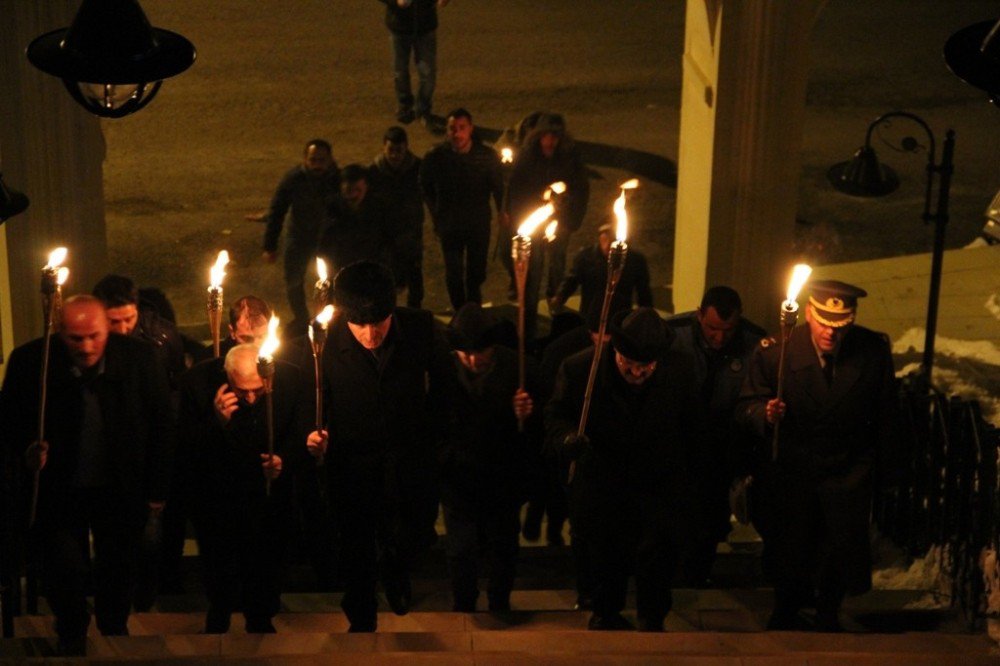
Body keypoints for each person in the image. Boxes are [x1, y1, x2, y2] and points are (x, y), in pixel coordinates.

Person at [0, 295, 172, 655]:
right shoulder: (33, 361)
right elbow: (9, 424)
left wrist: (156, 489)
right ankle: (72, 633)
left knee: (118, 566)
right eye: (75, 339)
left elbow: (160, 425)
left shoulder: (139, 359)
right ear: (60, 333)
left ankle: (113, 629)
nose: (87, 346)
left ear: (107, 328)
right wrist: (28, 450)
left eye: (94, 335)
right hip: (60, 487)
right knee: (65, 570)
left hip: (120, 485)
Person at [735, 279, 900, 631]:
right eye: (824, 323)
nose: (831, 333)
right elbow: (746, 403)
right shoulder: (775, 353)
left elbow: (886, 414)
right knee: (790, 546)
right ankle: (786, 607)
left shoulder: (871, 352)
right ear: (809, 313)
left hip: (846, 471)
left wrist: (884, 471)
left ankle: (828, 610)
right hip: (794, 470)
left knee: (837, 548)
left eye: (840, 326)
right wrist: (764, 413)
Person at [305, 260, 454, 632]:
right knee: (355, 539)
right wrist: (314, 433)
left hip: (409, 457)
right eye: (361, 326)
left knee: (408, 531)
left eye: (379, 324)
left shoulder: (421, 328)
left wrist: (432, 439)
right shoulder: (319, 338)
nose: (371, 335)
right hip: (351, 461)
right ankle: (360, 610)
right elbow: (311, 397)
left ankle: (397, 574)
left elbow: (445, 387)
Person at [545, 308, 700, 632]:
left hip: (659, 479)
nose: (637, 373)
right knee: (605, 553)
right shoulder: (580, 370)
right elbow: (557, 415)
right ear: (615, 350)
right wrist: (569, 439)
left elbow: (693, 427)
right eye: (629, 365)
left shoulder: (681, 370)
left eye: (646, 367)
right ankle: (605, 612)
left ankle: (653, 615)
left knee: (658, 553)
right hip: (603, 479)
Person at [178, 344, 308, 633]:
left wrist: (282, 459)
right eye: (242, 391)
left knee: (267, 557)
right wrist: (217, 421)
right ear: (227, 375)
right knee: (219, 558)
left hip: (269, 491)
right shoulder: (197, 382)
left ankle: (261, 616)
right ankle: (220, 611)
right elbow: (185, 444)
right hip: (218, 490)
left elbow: (302, 432)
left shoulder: (290, 378)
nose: (250, 398)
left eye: (257, 391)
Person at [441, 303, 538, 612]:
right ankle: (464, 603)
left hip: (501, 476)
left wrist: (524, 415)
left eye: (479, 352)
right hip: (458, 477)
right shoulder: (441, 370)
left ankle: (499, 600)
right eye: (464, 353)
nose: (472, 360)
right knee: (461, 550)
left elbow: (539, 428)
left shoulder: (519, 368)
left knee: (503, 546)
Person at [666, 286, 765, 588]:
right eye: (712, 328)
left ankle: (695, 576)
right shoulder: (673, 334)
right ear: (699, 315)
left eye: (728, 329)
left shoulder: (755, 344)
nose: (719, 338)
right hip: (679, 440)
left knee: (710, 517)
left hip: (724, 443)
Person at [506, 113, 590, 339]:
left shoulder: (570, 157)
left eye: (554, 136)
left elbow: (581, 187)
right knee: (533, 270)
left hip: (559, 223)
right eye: (546, 136)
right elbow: (516, 188)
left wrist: (570, 215)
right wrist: (519, 219)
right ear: (538, 136)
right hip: (535, 223)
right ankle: (528, 323)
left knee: (557, 267)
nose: (550, 141)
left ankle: (556, 312)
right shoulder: (528, 157)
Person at [420, 108, 505, 311]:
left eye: (461, 128)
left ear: (470, 129)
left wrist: (503, 210)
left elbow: (498, 187)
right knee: (454, 273)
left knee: (476, 272)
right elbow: (425, 185)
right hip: (450, 224)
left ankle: (474, 310)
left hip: (478, 224)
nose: (457, 133)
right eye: (452, 128)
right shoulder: (435, 157)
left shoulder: (486, 157)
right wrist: (436, 213)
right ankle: (460, 310)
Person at [260, 139, 340, 331]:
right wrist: (270, 245)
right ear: (305, 159)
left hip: (327, 239)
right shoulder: (293, 179)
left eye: (322, 160)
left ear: (330, 160)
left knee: (330, 281)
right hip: (299, 237)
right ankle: (302, 320)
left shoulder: (338, 179)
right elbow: (277, 210)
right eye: (313, 159)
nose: (317, 165)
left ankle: (327, 318)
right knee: (293, 281)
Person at [92, 273, 187, 385]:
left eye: (128, 319)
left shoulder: (163, 336)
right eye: (113, 321)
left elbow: (178, 381)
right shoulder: (87, 337)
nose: (123, 329)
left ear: (137, 310)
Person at [368, 126, 425, 308]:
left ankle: (413, 319)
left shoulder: (418, 168)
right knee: (387, 282)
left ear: (406, 147)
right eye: (390, 150)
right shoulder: (374, 171)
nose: (394, 155)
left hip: (411, 233)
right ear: (383, 147)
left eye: (399, 150)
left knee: (415, 284)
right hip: (385, 235)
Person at [550, 222, 653, 317]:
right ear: (600, 236)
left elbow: (644, 292)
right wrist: (560, 297)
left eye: (613, 237)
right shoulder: (586, 256)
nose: (610, 242)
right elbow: (572, 280)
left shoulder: (635, 260)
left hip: (619, 318)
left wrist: (646, 315)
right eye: (606, 235)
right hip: (590, 315)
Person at [377, 0, 450, 129]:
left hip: (425, 28)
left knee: (428, 74)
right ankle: (405, 105)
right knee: (400, 71)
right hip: (399, 27)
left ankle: (423, 109)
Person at [319, 163, 391, 274]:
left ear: (366, 187)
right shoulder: (331, 209)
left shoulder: (378, 208)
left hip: (371, 267)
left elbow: (387, 240)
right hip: (340, 267)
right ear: (341, 188)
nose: (353, 195)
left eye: (357, 190)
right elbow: (325, 242)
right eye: (348, 190)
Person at [219, 295, 273, 359]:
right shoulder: (213, 359)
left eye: (261, 337)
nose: (255, 346)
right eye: (247, 339)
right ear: (232, 332)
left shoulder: (281, 362)